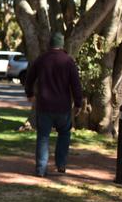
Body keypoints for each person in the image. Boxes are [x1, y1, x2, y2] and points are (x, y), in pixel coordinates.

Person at [25, 32, 83, 177]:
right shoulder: (68, 61)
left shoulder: (41, 59)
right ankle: (61, 164)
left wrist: (30, 94)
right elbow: (76, 85)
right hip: (63, 107)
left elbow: (29, 78)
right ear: (62, 45)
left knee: (43, 137)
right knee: (64, 134)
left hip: (44, 106)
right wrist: (78, 103)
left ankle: (40, 169)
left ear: (49, 44)